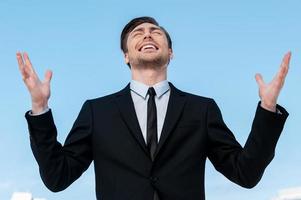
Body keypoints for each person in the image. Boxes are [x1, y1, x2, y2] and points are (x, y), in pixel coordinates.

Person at [17, 16, 290, 200]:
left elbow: (245, 173)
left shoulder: (201, 110)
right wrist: (40, 108)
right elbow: (56, 177)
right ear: (126, 55)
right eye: (138, 33)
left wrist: (267, 108)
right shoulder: (96, 112)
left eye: (155, 31)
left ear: (170, 52)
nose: (147, 34)